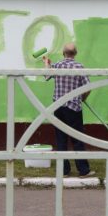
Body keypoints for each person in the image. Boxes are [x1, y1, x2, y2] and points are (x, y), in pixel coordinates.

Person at [43, 43, 95, 178]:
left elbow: (46, 76)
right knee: (77, 138)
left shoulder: (58, 65)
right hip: (73, 107)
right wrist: (82, 99)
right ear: (75, 53)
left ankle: (64, 171)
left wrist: (46, 63)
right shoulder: (79, 67)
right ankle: (83, 170)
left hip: (58, 107)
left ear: (63, 53)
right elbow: (88, 87)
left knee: (61, 139)